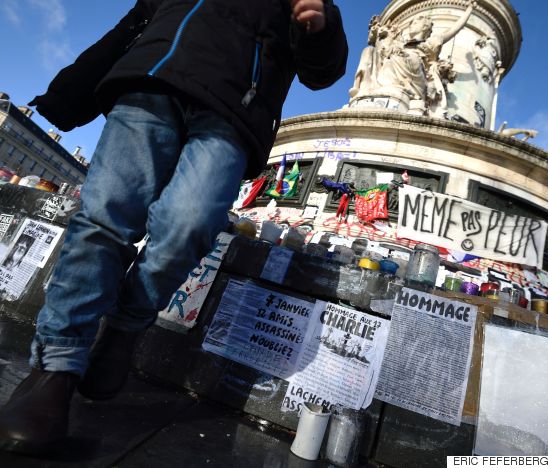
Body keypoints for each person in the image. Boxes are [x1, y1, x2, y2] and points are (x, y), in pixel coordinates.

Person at [0, 0, 347, 454]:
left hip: (235, 107)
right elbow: (134, 21)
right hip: (152, 79)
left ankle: (126, 326)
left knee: (191, 224)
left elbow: (322, 72)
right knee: (105, 217)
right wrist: (73, 86)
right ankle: (56, 366)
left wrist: (320, 28)